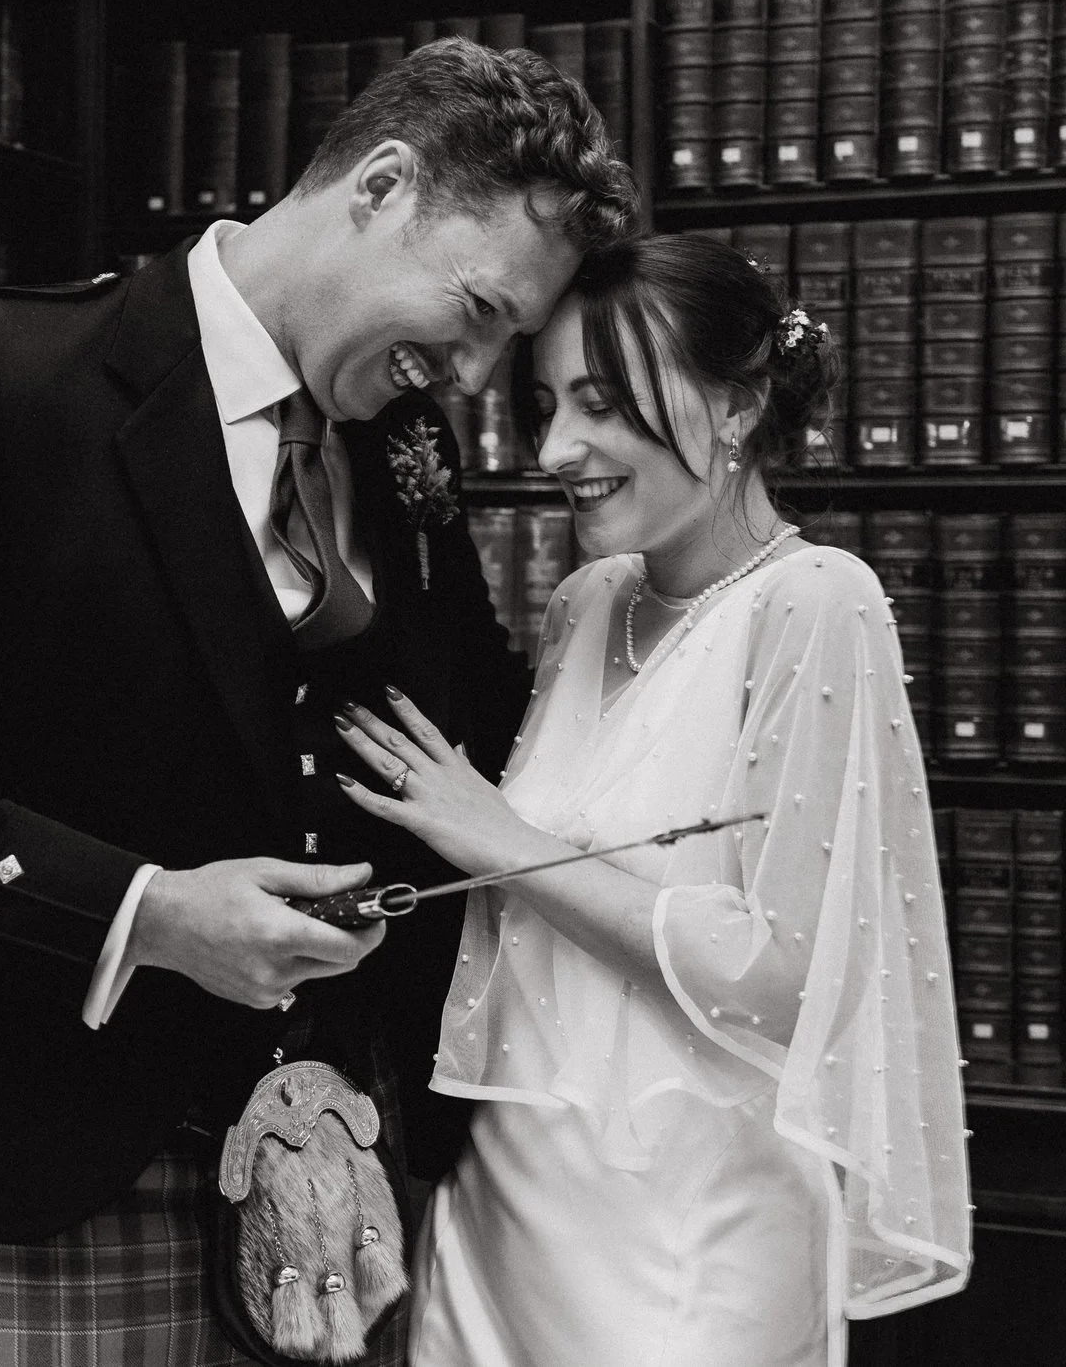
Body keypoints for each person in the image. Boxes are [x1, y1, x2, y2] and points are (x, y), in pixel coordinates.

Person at [0, 37, 636, 1366]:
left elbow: (471, 735)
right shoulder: (15, 378)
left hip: (335, 1170)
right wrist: (143, 913)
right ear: (380, 186)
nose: (481, 376)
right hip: (39, 1171)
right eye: (480, 310)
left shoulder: (401, 437)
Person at [328, 233, 972, 1367]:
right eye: (544, 404)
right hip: (507, 1204)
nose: (558, 448)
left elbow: (784, 978)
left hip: (691, 1230)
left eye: (606, 403)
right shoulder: (586, 599)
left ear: (735, 408)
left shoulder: (818, 602)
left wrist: (503, 840)